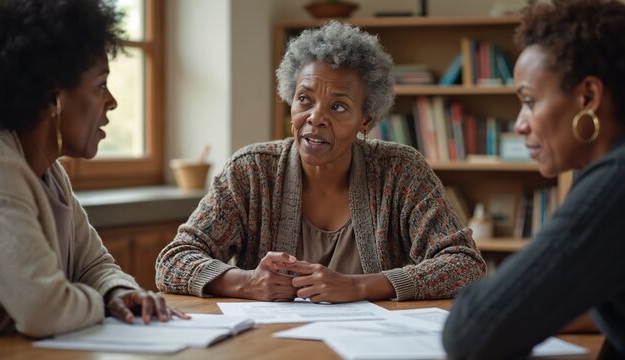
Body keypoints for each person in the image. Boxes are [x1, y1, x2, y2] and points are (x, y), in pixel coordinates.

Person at [156, 21, 486, 304]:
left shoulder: (401, 171)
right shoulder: (251, 171)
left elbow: (465, 265)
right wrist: (247, 282)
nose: (316, 118)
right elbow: (173, 260)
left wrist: (357, 285)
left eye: (338, 107)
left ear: (365, 120)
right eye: (304, 99)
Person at [442, 0, 625, 358]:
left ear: (588, 96)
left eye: (530, 101)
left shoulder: (614, 185)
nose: (520, 123)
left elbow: (471, 332)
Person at [0, 0, 188, 338]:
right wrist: (103, 306)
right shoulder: (0, 168)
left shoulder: (51, 174)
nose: (111, 100)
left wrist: (117, 292)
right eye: (100, 84)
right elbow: (44, 309)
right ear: (54, 98)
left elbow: (94, 265)